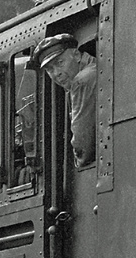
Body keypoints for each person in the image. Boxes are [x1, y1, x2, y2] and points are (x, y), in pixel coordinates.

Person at [32, 33, 98, 167]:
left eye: (60, 63)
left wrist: (78, 161)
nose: (56, 73)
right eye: (50, 69)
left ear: (77, 56)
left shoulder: (81, 82)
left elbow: (83, 148)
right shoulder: (92, 69)